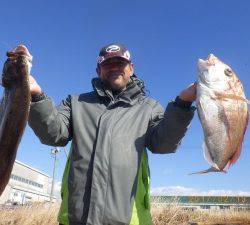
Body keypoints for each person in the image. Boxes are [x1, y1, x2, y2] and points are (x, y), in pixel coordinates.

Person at [28, 43, 196, 225]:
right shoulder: (76, 102)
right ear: (98, 70)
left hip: (130, 220)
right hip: (75, 218)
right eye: (108, 64)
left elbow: (163, 144)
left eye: (120, 63)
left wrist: (182, 104)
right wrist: (37, 97)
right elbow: (52, 135)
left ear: (131, 68)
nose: (114, 68)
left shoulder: (149, 107)